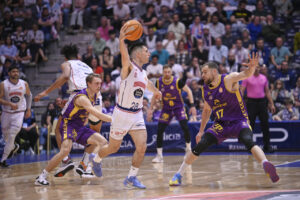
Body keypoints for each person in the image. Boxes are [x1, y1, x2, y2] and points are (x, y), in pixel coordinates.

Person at [169, 54, 280, 186]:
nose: (202, 75)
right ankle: (178, 175)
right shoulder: (205, 90)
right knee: (201, 144)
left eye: (205, 72)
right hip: (220, 124)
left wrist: (252, 68)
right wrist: (200, 131)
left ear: (214, 71)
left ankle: (266, 164)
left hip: (239, 121)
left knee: (248, 141)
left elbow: (245, 74)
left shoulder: (228, 79)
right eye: (201, 73)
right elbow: (206, 111)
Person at [91, 24, 162, 189]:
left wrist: (156, 91)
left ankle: (131, 177)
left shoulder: (143, 74)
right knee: (113, 148)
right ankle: (96, 160)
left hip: (136, 114)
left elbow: (148, 84)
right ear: (138, 54)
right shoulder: (128, 67)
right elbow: (124, 56)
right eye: (146, 51)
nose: (149, 53)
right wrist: (122, 39)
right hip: (121, 114)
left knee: (142, 146)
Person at [34, 44, 103, 177]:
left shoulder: (67, 63)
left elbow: (65, 77)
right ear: (78, 56)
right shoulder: (86, 66)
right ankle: (84, 165)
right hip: (96, 97)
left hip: (80, 96)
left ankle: (66, 160)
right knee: (95, 135)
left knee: (59, 128)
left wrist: (44, 92)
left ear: (65, 58)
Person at [35, 73, 112, 185]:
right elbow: (97, 114)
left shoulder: (95, 94)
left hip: (79, 126)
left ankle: (85, 164)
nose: (99, 85)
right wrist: (114, 119)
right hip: (68, 124)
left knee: (103, 142)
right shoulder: (82, 98)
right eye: (96, 83)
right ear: (88, 84)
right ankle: (42, 176)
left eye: (100, 83)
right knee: (65, 150)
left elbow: (85, 114)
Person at [150, 65, 197, 163]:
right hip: (166, 109)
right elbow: (155, 96)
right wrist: (151, 109)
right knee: (159, 130)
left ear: (171, 72)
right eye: (165, 72)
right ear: (162, 72)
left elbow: (189, 91)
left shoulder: (177, 81)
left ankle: (188, 150)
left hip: (178, 108)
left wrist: (192, 105)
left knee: (185, 126)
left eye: (168, 72)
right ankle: (159, 155)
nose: (167, 74)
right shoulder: (158, 82)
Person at [0, 66, 32, 167]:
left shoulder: (24, 83)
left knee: (12, 134)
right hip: (6, 112)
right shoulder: (3, 84)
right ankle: (13, 146)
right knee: (5, 136)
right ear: (9, 73)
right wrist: (9, 104)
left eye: (17, 71)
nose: (15, 73)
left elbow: (29, 95)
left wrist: (29, 109)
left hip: (19, 112)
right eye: (13, 71)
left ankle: (3, 160)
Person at [241, 65, 276, 153]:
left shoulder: (264, 78)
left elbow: (267, 92)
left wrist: (271, 104)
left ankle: (267, 146)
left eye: (258, 67)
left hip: (262, 103)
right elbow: (241, 91)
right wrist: (239, 103)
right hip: (251, 103)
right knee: (250, 126)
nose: (256, 68)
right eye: (255, 67)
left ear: (260, 68)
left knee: (265, 125)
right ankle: (250, 147)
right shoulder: (247, 77)